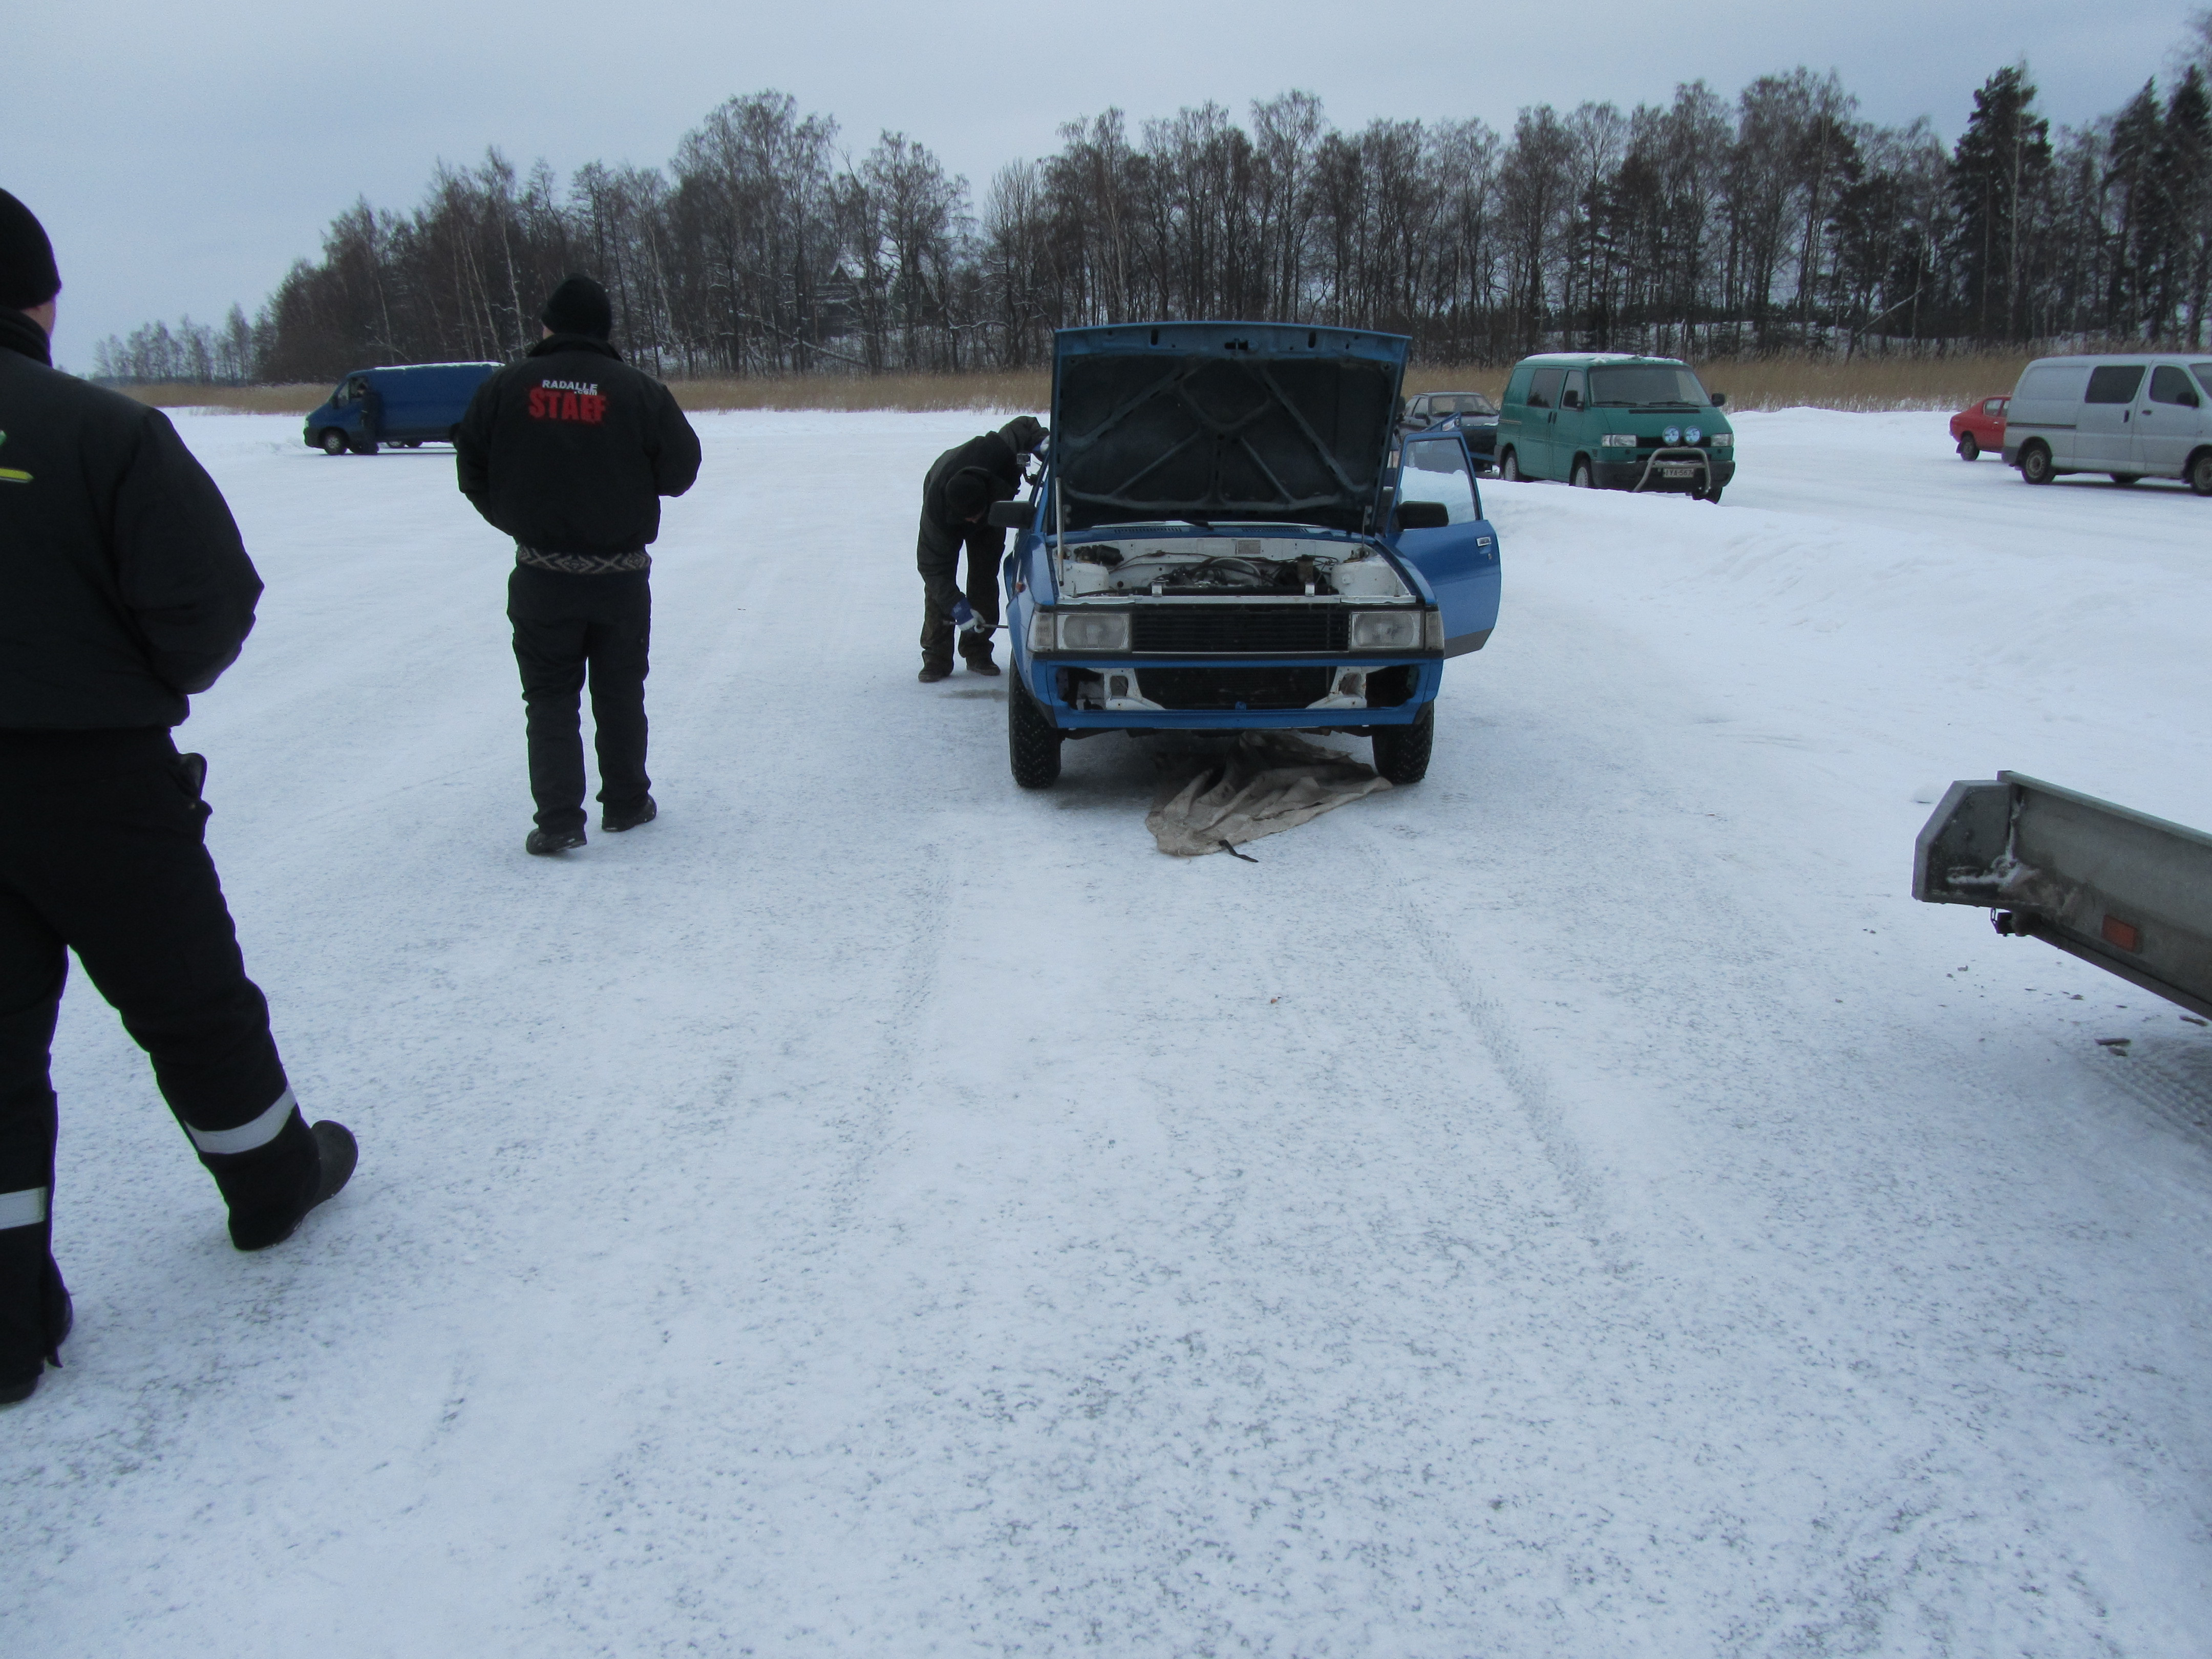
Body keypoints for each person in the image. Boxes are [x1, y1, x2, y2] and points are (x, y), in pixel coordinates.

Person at [0, 189, 357, 1407]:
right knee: (190, 998)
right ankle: (270, 1185)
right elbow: (208, 607)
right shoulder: (103, 432)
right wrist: (130, 680)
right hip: (96, 775)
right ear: (42, 298)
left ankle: (6, 1319)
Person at [457, 274, 702, 855]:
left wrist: (522, 520)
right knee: (619, 691)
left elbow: (472, 469)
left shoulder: (504, 388)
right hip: (618, 576)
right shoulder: (639, 391)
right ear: (604, 330)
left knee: (549, 698)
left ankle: (560, 818)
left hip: (541, 574)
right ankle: (625, 802)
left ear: (549, 325)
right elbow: (681, 470)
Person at [914, 416, 1047, 682]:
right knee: (940, 586)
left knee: (984, 575)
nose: (973, 522)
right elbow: (933, 569)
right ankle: (936, 657)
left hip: (993, 509)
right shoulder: (938, 512)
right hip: (944, 492)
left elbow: (1023, 426)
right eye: (969, 519)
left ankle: (978, 651)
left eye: (977, 515)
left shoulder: (997, 453)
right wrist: (959, 609)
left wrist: (1044, 443)